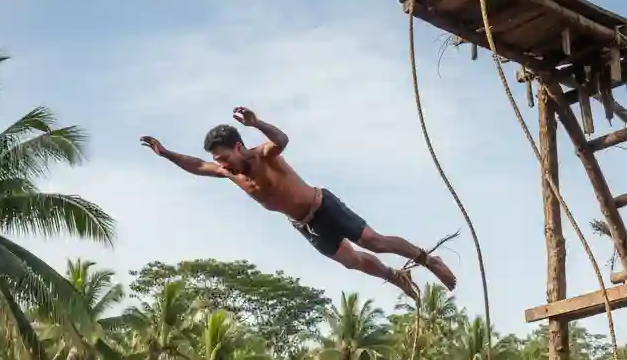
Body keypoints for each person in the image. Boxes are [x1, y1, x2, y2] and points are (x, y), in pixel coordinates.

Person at [141, 111, 455, 301]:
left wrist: (257, 122)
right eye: (218, 161)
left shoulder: (262, 155)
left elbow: (283, 140)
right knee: (352, 262)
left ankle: (429, 260)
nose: (222, 165)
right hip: (306, 225)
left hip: (324, 206)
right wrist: (166, 153)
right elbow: (196, 165)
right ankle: (396, 277)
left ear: (238, 147)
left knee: (374, 242)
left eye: (224, 157)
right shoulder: (228, 172)